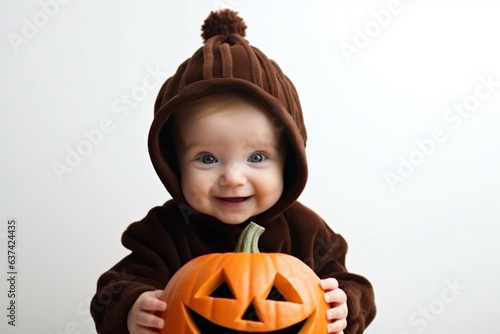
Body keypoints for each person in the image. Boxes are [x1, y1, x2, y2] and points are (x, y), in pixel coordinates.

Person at [91, 9, 376, 334]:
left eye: (256, 157)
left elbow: (354, 287)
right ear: (174, 163)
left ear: (288, 162)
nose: (233, 178)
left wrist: (347, 304)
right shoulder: (163, 234)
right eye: (208, 159)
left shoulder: (307, 231)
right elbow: (113, 291)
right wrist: (130, 308)